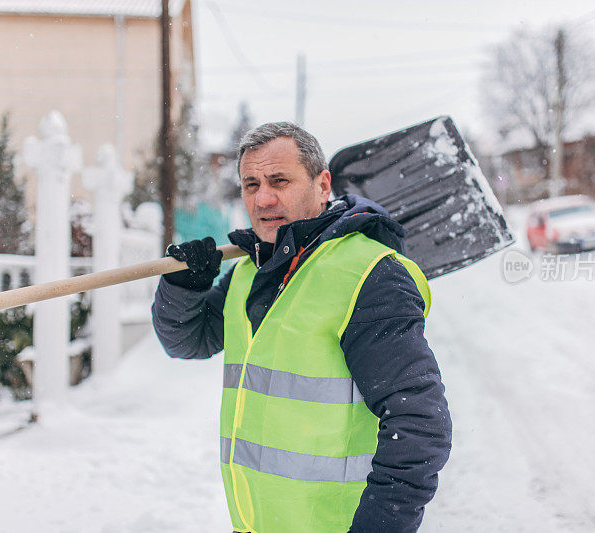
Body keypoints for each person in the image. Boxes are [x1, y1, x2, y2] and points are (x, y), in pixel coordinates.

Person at [152, 122, 451, 533]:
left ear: (322, 183)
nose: (263, 198)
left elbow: (419, 421)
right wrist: (183, 288)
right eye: (251, 184)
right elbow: (188, 341)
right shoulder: (248, 272)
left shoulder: (368, 275)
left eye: (279, 181)